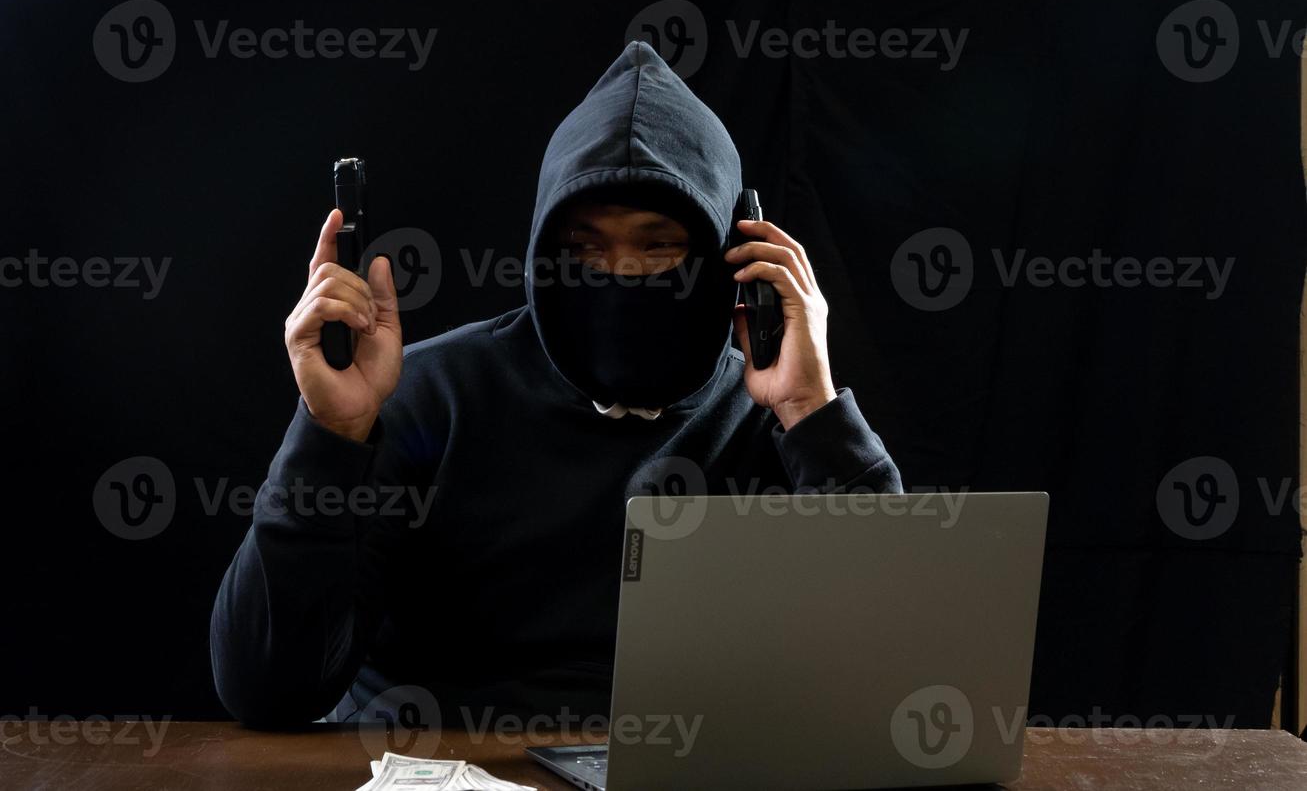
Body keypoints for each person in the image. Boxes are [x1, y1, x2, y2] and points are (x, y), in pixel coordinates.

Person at [209, 41, 902, 729]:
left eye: (659, 245)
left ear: (731, 257)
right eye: (582, 248)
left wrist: (812, 413)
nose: (622, 273)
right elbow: (269, 688)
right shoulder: (419, 397)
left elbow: (894, 671)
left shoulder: (772, 414)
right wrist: (330, 434)